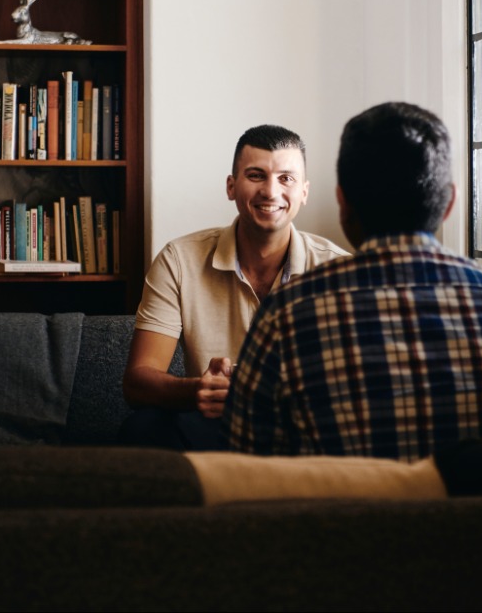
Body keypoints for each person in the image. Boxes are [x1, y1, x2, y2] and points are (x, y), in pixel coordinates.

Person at [222, 101, 482, 460]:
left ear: (343, 204)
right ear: (449, 204)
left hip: (341, 515)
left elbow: (250, 467)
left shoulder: (286, 315)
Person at [118, 124, 349, 449]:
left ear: (304, 192)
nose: (270, 191)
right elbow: (138, 381)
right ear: (231, 186)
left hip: (303, 430)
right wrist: (197, 389)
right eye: (256, 175)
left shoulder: (338, 269)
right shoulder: (178, 259)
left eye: (286, 178)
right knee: (141, 428)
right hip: (216, 424)